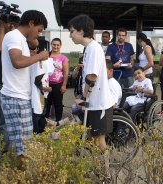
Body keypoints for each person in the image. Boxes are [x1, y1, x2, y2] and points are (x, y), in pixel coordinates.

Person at [0, 10, 49, 157]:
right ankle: (18, 176)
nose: (38, 34)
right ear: (31, 23)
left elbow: (21, 60)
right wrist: (39, 56)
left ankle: (21, 175)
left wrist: (33, 55)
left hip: (21, 97)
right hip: (14, 98)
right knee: (20, 148)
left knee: (25, 144)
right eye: (39, 30)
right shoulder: (13, 36)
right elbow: (17, 61)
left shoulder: (20, 38)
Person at [67, 14, 114, 152]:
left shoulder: (93, 48)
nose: (70, 36)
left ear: (81, 30)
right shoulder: (89, 48)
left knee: (99, 143)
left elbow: (92, 77)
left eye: (72, 32)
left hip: (99, 104)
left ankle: (106, 173)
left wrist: (83, 97)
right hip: (94, 103)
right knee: (93, 141)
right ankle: (98, 171)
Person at [0, 10, 20, 155]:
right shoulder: (0, 38)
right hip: (3, 87)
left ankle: (17, 153)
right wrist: (1, 24)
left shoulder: (19, 40)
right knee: (3, 124)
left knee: (19, 123)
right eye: (10, 23)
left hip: (18, 87)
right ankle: (3, 154)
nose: (11, 26)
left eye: (14, 24)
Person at [45, 38, 69, 122]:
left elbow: (66, 72)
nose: (55, 46)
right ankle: (45, 121)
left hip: (58, 84)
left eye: (57, 45)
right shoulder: (46, 56)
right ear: (51, 45)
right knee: (46, 103)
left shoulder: (63, 58)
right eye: (54, 44)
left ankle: (58, 121)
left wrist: (64, 85)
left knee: (58, 104)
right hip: (46, 84)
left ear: (60, 46)